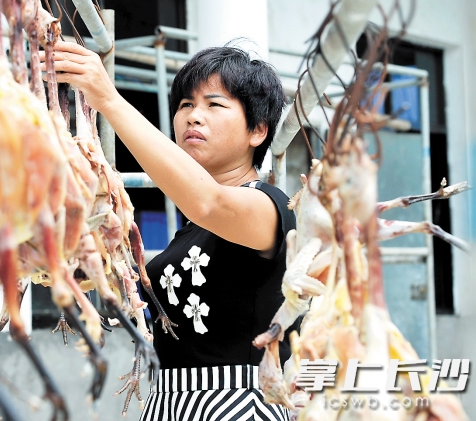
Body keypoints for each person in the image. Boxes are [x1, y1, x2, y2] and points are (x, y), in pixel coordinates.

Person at [42, 41, 297, 421]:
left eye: (214, 104)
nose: (194, 117)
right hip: (170, 404)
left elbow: (208, 202)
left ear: (257, 131)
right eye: (185, 105)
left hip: (239, 407)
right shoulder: (191, 232)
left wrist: (108, 100)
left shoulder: (269, 205)